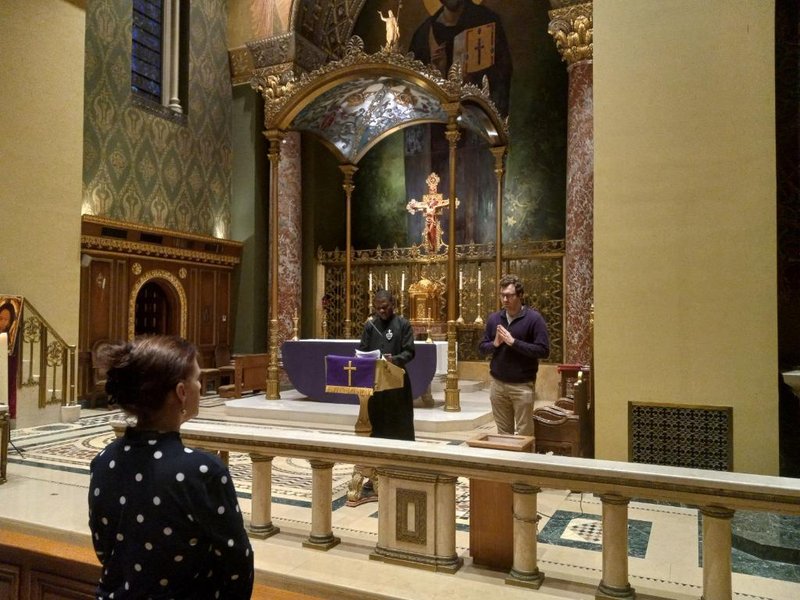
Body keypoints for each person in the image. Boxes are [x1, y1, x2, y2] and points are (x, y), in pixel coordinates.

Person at [88, 335, 254, 599]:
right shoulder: (202, 471)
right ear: (181, 392)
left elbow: (103, 548)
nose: (200, 385)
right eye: (197, 379)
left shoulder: (104, 459)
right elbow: (237, 564)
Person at [479, 275, 549, 437]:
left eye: (509, 295)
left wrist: (513, 342)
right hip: (498, 384)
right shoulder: (494, 319)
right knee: (503, 434)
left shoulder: (534, 319)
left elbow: (543, 350)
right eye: (502, 295)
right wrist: (495, 344)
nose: (505, 299)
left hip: (522, 385)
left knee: (525, 434)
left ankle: (526, 462)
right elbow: (482, 348)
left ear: (520, 295)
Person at [358, 290, 416, 442]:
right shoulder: (370, 325)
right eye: (378, 308)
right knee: (378, 418)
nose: (381, 311)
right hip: (376, 381)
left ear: (393, 305)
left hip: (398, 381)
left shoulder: (403, 324)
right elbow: (363, 349)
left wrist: (394, 359)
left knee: (399, 420)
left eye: (385, 307)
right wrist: (361, 358)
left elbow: (409, 352)